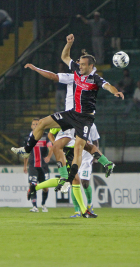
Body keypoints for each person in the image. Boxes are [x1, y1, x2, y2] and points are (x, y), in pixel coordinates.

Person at [11, 33, 124, 217]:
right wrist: (68, 43)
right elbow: (64, 57)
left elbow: (108, 86)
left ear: (91, 66)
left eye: (82, 64)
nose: (79, 66)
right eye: (78, 63)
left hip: (85, 119)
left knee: (79, 149)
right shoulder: (76, 71)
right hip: (71, 114)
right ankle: (26, 149)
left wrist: (115, 92)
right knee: (41, 123)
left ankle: (69, 181)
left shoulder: (95, 79)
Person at [23, 118, 52, 212]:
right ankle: (35, 206)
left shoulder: (45, 136)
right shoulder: (28, 137)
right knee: (32, 185)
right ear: (31, 126)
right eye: (33, 124)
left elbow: (51, 147)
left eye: (37, 124)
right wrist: (25, 166)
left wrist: (48, 156)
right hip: (33, 165)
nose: (35, 126)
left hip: (43, 166)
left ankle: (43, 204)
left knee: (45, 188)